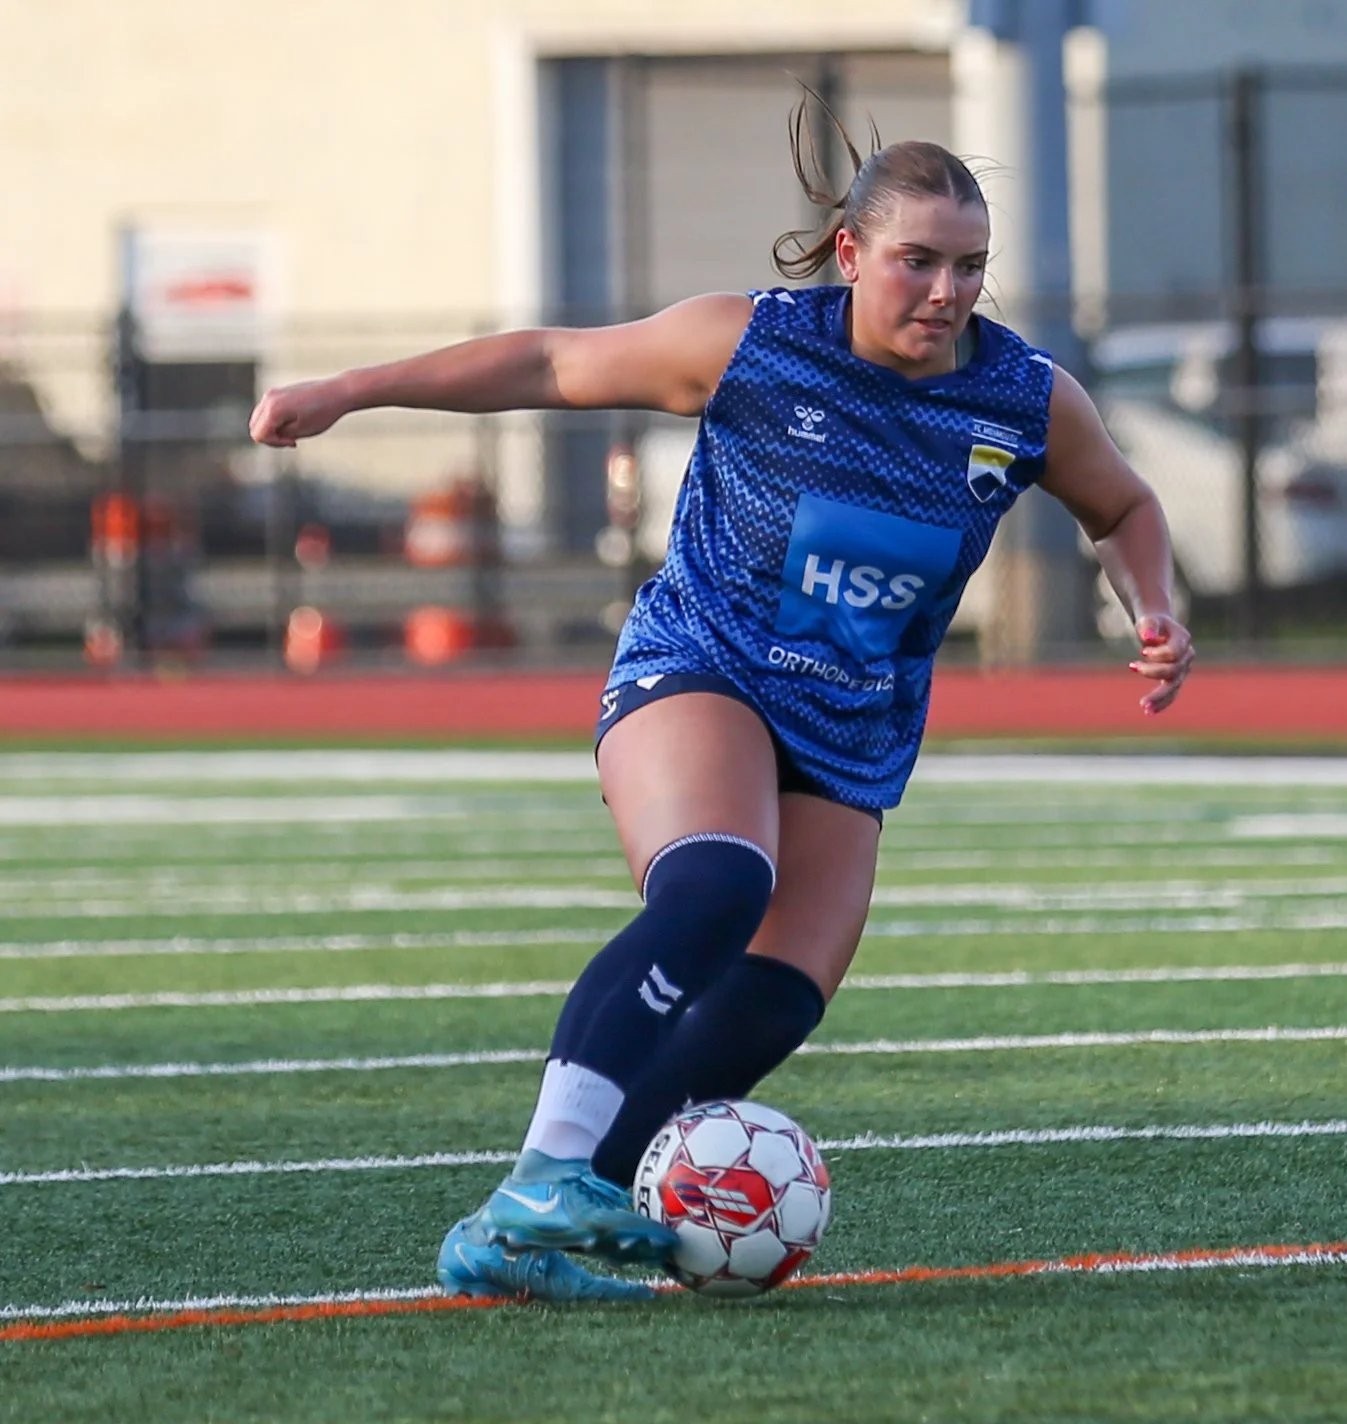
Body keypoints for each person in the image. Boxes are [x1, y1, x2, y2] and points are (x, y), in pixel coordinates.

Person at [249, 102, 1194, 1304]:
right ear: (850, 255)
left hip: (852, 727)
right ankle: (548, 1170)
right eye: (918, 260)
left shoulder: (1020, 397)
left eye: (968, 266)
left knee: (772, 998)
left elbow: (1121, 509)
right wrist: (349, 390)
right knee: (717, 879)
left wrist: (1152, 605)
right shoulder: (750, 343)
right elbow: (548, 360)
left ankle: (514, 1230)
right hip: (704, 666)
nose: (946, 290)